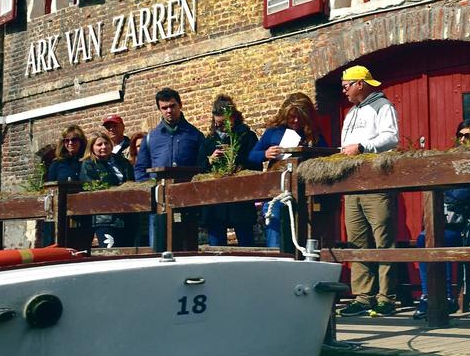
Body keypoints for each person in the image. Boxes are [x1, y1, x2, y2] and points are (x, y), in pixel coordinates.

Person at [412, 119, 470, 320]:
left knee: (442, 238)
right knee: (424, 239)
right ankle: (429, 294)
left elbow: (462, 195)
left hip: (468, 224)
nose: (465, 139)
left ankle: (445, 297)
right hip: (447, 220)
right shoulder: (451, 160)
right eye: (461, 135)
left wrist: (448, 194)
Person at [334, 67, 400, 317]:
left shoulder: (382, 106)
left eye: (346, 85)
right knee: (357, 240)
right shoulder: (351, 112)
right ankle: (363, 296)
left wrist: (362, 146)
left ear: (360, 84)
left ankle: (386, 297)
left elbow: (391, 138)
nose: (344, 89)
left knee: (383, 238)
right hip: (352, 182)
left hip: (375, 181)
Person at [248, 92, 327, 251]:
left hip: (304, 192)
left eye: (299, 117)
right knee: (276, 236)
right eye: (292, 117)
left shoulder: (313, 134)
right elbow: (251, 156)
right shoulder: (274, 132)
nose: (296, 121)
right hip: (277, 191)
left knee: (303, 237)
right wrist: (265, 154)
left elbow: (326, 155)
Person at [133, 88, 205, 249]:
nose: (169, 111)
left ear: (180, 105)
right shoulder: (151, 138)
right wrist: (152, 192)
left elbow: (202, 168)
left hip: (187, 203)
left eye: (172, 106)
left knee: (188, 249)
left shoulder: (194, 135)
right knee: (158, 249)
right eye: (164, 108)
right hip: (159, 205)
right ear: (159, 109)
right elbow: (140, 169)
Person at [197, 95, 260, 247]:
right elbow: (198, 168)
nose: (221, 128)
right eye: (217, 124)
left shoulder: (247, 136)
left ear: (233, 118)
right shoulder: (209, 141)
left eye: (224, 123)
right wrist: (210, 159)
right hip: (215, 202)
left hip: (240, 199)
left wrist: (235, 157)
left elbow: (256, 165)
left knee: (247, 244)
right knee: (216, 246)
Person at [81, 130, 132, 247]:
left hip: (127, 213)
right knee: (110, 251)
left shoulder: (122, 162)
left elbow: (131, 181)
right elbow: (91, 188)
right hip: (105, 217)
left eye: (106, 143)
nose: (103, 147)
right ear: (92, 147)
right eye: (99, 145)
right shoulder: (88, 164)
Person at [39, 125, 86, 247]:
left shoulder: (87, 162)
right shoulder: (57, 164)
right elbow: (50, 190)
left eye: (74, 139)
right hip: (62, 212)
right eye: (67, 140)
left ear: (81, 141)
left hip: (83, 211)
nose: (70, 143)